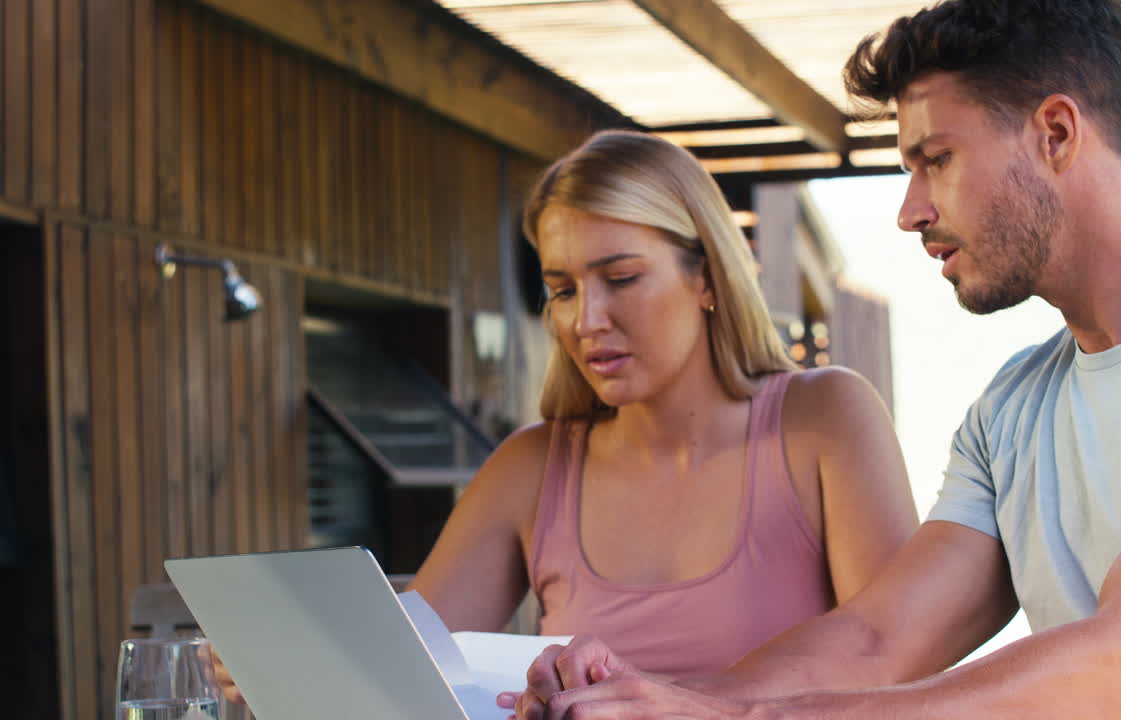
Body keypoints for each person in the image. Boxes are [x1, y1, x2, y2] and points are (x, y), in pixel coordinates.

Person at [511, 2, 1121, 719]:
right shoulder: (1012, 412)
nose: (911, 211)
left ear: (1055, 133)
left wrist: (738, 719)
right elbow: (877, 643)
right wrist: (645, 701)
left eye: (936, 159)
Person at [212, 130, 918, 702]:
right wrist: (287, 659)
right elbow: (401, 672)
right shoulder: (532, 467)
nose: (588, 319)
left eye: (621, 278)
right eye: (562, 290)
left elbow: (903, 666)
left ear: (706, 276)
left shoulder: (826, 417)